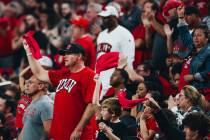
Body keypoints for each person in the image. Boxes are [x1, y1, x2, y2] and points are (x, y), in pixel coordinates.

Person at [23, 41, 98, 140]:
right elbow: (39, 73)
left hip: (78, 136)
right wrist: (29, 52)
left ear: (79, 56)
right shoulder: (63, 74)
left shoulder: (90, 75)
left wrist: (79, 129)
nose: (65, 56)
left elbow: (93, 105)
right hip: (59, 135)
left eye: (69, 53)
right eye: (64, 54)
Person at [97, 5, 135, 96]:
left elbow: (129, 59)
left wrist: (124, 78)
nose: (104, 20)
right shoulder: (101, 34)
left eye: (106, 18)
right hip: (100, 79)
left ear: (114, 17)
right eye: (103, 18)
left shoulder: (124, 34)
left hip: (114, 80)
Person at [19, 75, 53, 140]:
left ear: (40, 86)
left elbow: (49, 132)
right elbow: (25, 129)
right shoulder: (31, 104)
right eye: (26, 83)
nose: (26, 85)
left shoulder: (46, 104)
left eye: (30, 83)